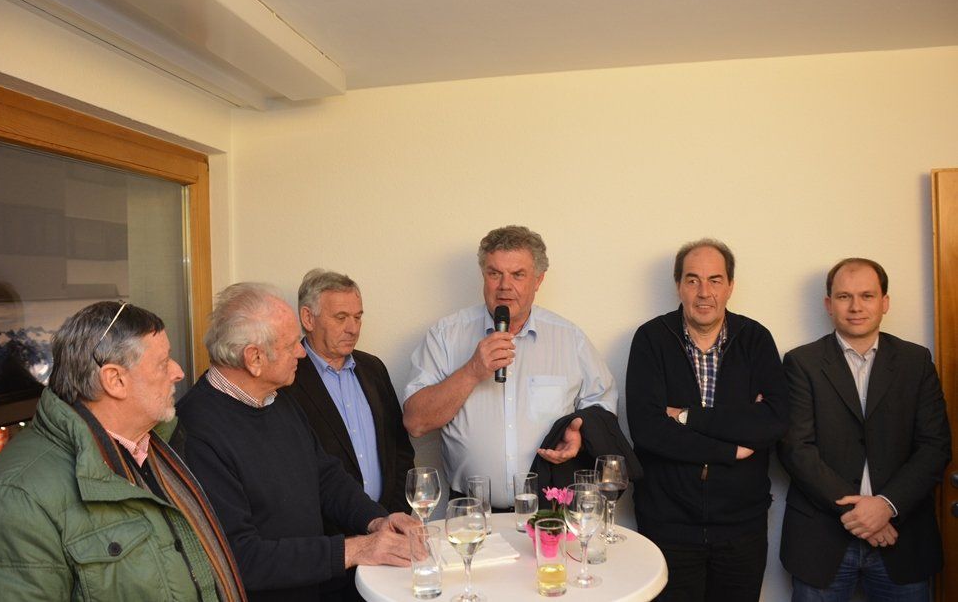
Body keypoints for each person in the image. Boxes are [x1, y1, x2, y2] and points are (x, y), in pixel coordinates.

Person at [0, 301, 246, 601]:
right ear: (115, 380)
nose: (178, 372)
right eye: (163, 362)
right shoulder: (15, 498)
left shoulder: (154, 448)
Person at [174, 283, 417, 602]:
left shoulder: (277, 398)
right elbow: (239, 557)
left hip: (315, 588)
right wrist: (357, 549)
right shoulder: (196, 430)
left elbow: (326, 476)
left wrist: (376, 519)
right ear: (254, 358)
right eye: (291, 345)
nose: (302, 353)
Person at [403, 225, 617, 509]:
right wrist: (472, 371)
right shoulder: (445, 335)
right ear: (483, 276)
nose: (505, 286)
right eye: (495, 274)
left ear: (538, 280)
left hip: (549, 509)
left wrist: (580, 432)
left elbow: (603, 407)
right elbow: (416, 422)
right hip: (471, 510)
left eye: (518, 274)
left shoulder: (569, 339)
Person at [778, 258, 951, 601]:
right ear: (828, 304)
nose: (855, 307)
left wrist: (886, 506)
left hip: (902, 539)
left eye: (867, 296)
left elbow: (935, 446)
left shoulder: (916, 362)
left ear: (884, 302)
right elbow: (796, 449)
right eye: (844, 297)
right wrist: (860, 514)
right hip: (822, 540)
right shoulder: (801, 363)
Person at [625, 238, 788, 602]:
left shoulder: (755, 339)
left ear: (730, 286)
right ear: (678, 285)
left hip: (741, 528)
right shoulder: (651, 339)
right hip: (667, 526)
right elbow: (648, 430)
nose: (704, 292)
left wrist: (686, 417)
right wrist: (731, 449)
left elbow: (774, 421)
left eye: (715, 280)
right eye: (692, 280)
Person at [287, 269, 415, 600]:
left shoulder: (373, 368)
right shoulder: (287, 378)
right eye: (341, 317)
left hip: (385, 537)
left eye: (358, 317)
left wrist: (390, 517)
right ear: (308, 318)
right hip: (327, 553)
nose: (353, 328)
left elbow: (400, 450)